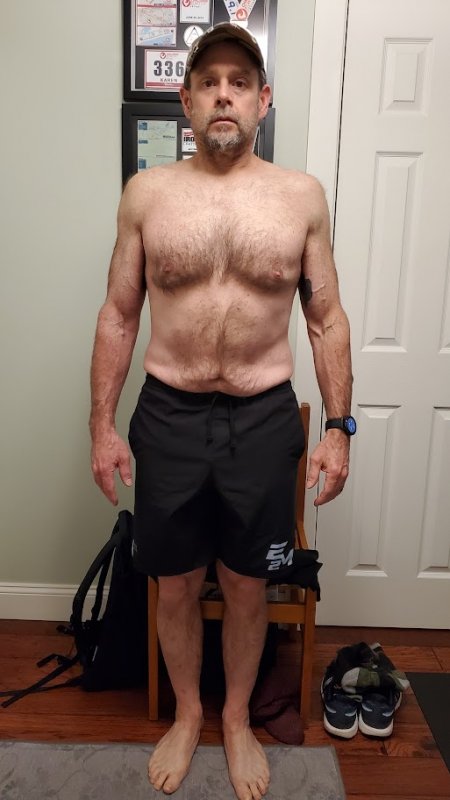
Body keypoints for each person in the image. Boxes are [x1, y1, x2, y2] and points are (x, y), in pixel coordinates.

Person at [89, 22, 354, 800]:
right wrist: (101, 426)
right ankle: (189, 713)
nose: (224, 95)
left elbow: (326, 319)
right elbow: (118, 315)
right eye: (209, 82)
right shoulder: (148, 195)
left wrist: (338, 428)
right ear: (187, 100)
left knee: (246, 584)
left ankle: (236, 718)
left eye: (240, 82)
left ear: (264, 100)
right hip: (168, 414)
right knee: (174, 584)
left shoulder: (301, 197)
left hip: (263, 420)